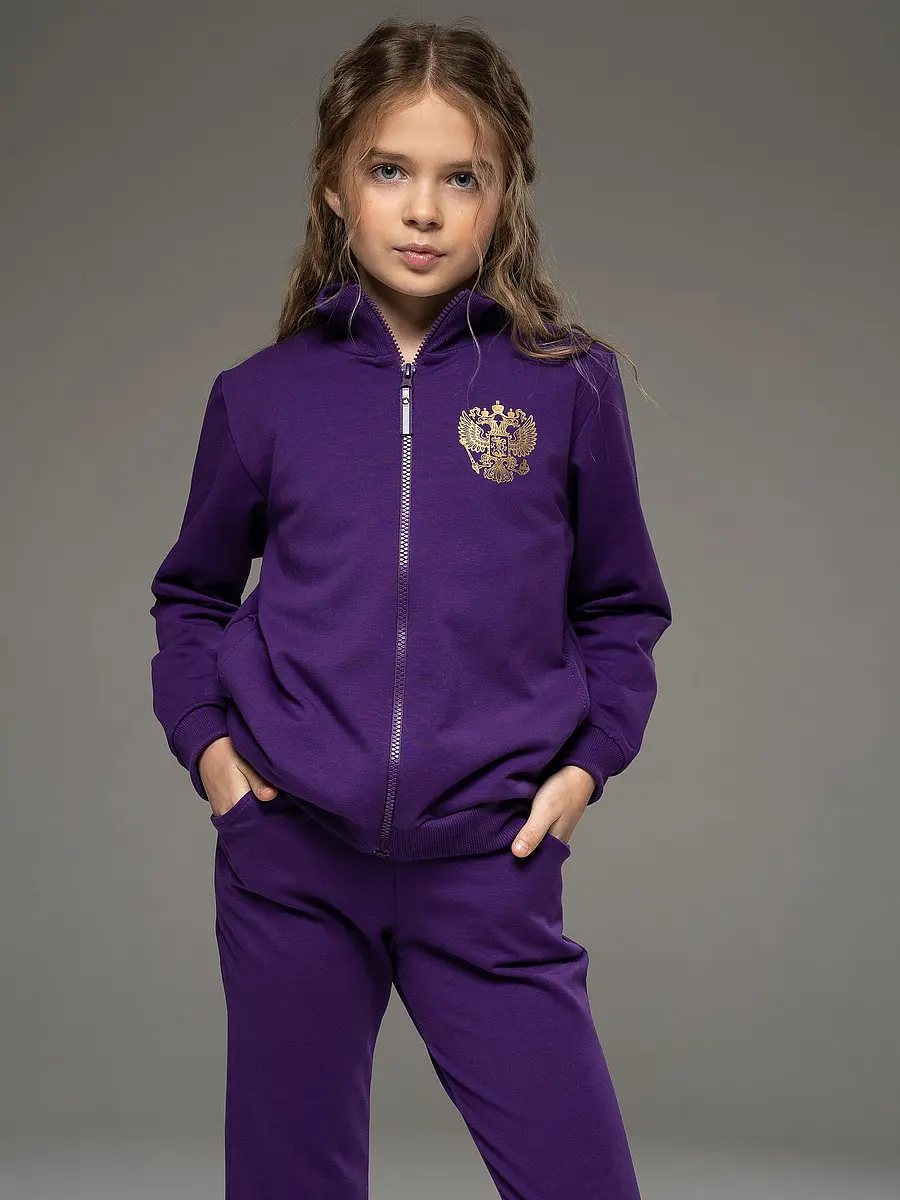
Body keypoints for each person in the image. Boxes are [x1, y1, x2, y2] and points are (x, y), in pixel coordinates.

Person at [149, 17, 672, 1200]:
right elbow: (191, 597)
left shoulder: (566, 387)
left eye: (460, 178)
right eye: (390, 170)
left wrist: (584, 770)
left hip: (488, 862)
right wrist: (216, 762)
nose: (424, 210)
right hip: (290, 859)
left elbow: (620, 607)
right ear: (336, 185)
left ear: (505, 195)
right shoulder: (263, 397)